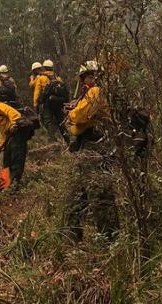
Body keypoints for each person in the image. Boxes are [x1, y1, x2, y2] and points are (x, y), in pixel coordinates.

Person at [61, 60, 119, 241]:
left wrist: (71, 114)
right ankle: (74, 235)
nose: (87, 80)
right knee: (79, 191)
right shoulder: (93, 93)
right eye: (86, 77)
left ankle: (109, 238)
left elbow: (79, 116)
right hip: (92, 144)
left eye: (89, 76)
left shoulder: (96, 91)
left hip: (94, 145)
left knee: (99, 192)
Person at [0, 101, 35, 194]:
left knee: (16, 161)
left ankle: (14, 187)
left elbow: (11, 112)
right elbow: (3, 135)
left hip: (18, 133)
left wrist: (13, 124)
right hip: (11, 136)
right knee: (6, 161)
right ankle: (5, 184)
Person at [33, 59, 69, 141]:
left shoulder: (41, 78)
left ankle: (53, 141)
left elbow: (37, 93)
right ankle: (67, 140)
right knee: (61, 122)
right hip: (57, 103)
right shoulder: (57, 78)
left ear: (44, 68)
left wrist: (36, 105)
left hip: (47, 104)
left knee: (48, 122)